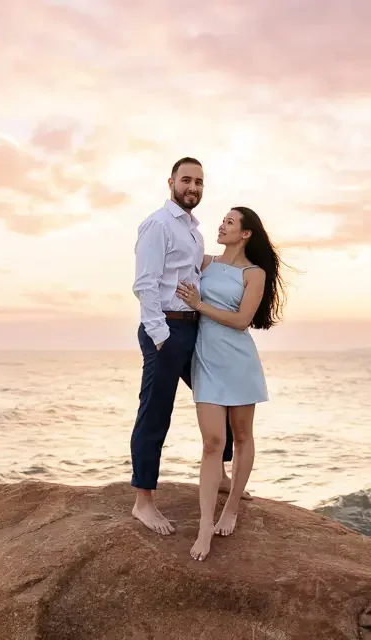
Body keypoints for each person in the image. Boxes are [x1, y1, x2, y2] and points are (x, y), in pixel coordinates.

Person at [130, 157, 242, 536]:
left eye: (199, 182)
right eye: (186, 180)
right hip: (165, 330)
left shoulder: (193, 231)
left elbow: (198, 272)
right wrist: (160, 336)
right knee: (155, 414)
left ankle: (222, 473)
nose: (193, 187)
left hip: (194, 329)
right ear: (171, 183)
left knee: (219, 398)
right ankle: (143, 501)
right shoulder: (158, 225)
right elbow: (144, 284)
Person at [175, 206, 286, 561]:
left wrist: (200, 304)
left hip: (238, 362)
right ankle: (205, 524)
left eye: (229, 222)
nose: (221, 226)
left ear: (246, 233)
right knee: (212, 441)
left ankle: (232, 506)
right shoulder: (205, 262)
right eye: (222, 221)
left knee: (241, 437)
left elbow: (241, 321)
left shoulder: (254, 273)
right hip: (206, 359)